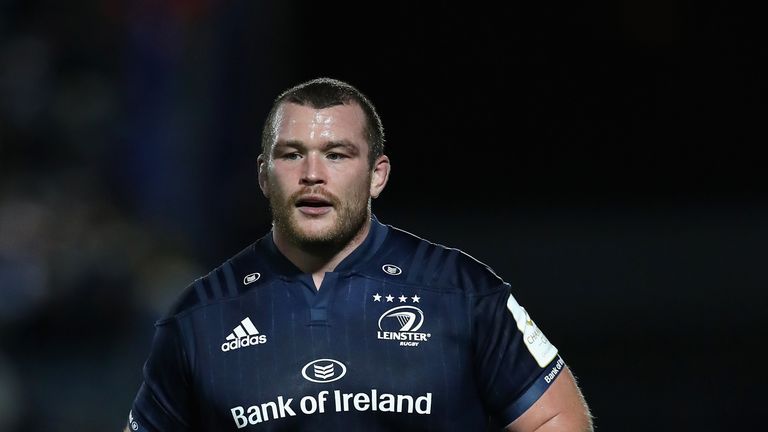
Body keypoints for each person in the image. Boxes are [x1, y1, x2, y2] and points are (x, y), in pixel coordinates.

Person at [124, 77, 593, 431]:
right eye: (291, 155)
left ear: (377, 175)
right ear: (264, 175)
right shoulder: (198, 318)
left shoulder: (460, 291)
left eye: (337, 154)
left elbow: (557, 422)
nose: (312, 174)